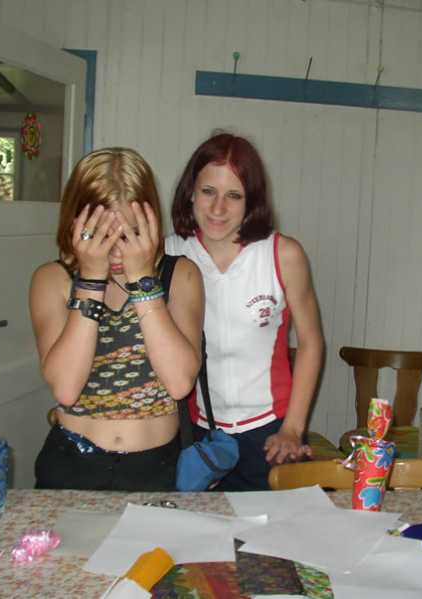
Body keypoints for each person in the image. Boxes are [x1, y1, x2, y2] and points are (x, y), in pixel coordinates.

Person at [30, 147, 204, 491]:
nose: (116, 251)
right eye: (100, 236)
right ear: (75, 225)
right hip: (72, 465)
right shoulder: (52, 279)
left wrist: (143, 282)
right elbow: (66, 388)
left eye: (129, 235)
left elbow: (179, 383)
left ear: (151, 225)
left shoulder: (181, 274)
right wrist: (91, 281)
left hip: (157, 468)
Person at [166, 132, 325, 491]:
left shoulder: (283, 255)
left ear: (251, 199)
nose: (218, 208)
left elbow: (311, 343)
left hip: (270, 432)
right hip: (198, 433)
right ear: (190, 192)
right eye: (208, 191)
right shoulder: (169, 254)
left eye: (234, 195)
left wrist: (293, 428)